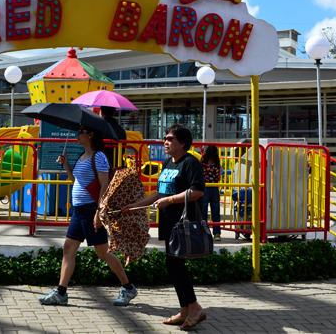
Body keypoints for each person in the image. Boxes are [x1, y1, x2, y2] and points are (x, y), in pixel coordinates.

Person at [38, 124, 138, 307]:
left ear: (90, 135)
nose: (77, 135)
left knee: (102, 252)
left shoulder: (98, 156)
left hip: (92, 209)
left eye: (80, 132)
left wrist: (99, 212)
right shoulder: (82, 157)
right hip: (79, 211)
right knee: (68, 248)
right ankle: (61, 292)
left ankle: (128, 287)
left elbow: (105, 185)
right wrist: (67, 164)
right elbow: (76, 181)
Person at [121, 124, 207, 330]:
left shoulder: (190, 162)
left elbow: (197, 192)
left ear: (183, 143)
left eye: (170, 139)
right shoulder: (168, 162)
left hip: (183, 224)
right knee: (173, 265)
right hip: (169, 224)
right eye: (165, 138)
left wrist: (171, 200)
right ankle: (185, 311)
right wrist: (136, 205)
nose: (165, 142)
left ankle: (194, 308)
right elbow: (159, 193)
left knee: (175, 266)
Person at [200, 145, 223, 241]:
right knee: (215, 212)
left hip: (204, 189)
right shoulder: (218, 166)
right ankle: (217, 233)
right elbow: (220, 176)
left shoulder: (202, 165)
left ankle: (204, 233)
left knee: (203, 212)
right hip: (214, 189)